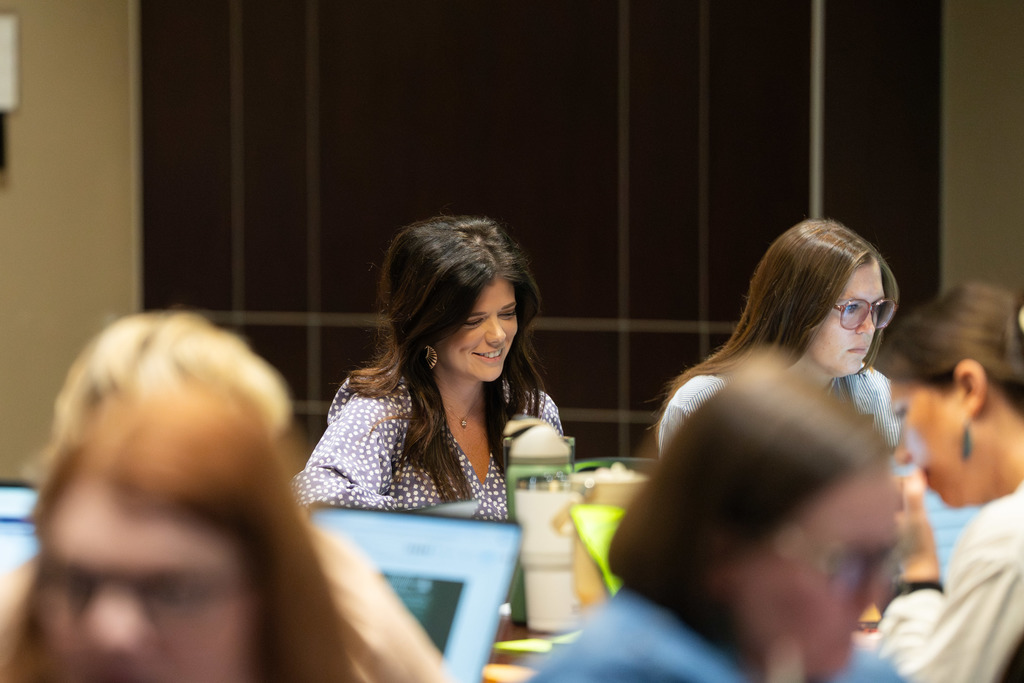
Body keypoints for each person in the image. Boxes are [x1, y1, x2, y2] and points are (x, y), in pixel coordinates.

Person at [0, 312, 449, 683]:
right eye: (80, 583)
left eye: (174, 589)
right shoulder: (24, 606)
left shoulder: (327, 582)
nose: (114, 631)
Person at [531, 357, 905, 682]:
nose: (872, 597)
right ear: (724, 556)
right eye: (844, 564)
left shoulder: (853, 672)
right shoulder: (607, 673)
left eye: (884, 557)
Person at [293, 215, 562, 520]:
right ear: (428, 324)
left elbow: (555, 525)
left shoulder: (532, 410)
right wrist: (428, 525)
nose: (498, 335)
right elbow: (314, 496)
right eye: (474, 320)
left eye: (507, 313)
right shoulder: (385, 410)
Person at [875, 282, 1024, 683]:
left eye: (904, 415)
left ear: (968, 389)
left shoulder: (1008, 537)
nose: (904, 454)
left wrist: (919, 577)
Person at [657, 218, 901, 452]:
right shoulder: (702, 403)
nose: (869, 327)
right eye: (852, 308)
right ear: (798, 310)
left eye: (878, 308)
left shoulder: (878, 396)